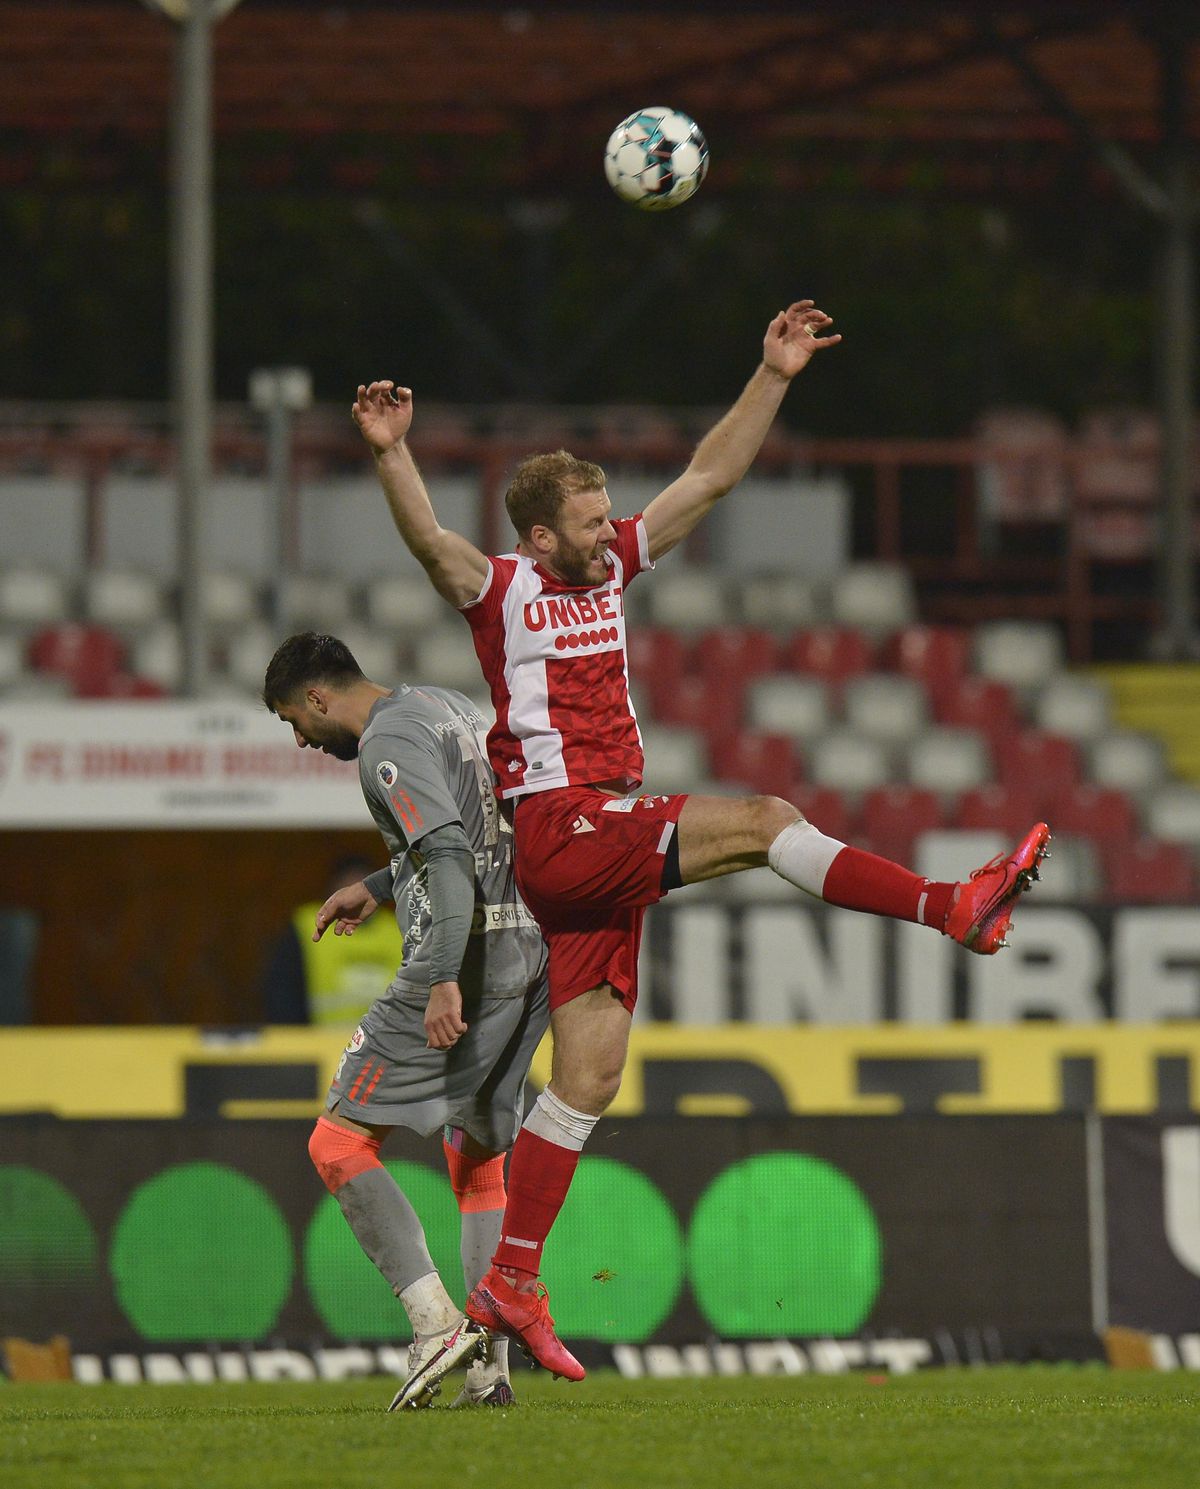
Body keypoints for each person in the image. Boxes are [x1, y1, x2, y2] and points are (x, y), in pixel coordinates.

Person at [352, 299, 1051, 1381]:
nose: (609, 532)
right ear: (539, 537)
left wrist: (773, 375)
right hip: (566, 825)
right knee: (766, 821)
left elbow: (711, 478)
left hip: (596, 842)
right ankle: (948, 906)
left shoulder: (613, 567)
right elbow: (429, 543)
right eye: (589, 523)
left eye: (607, 517)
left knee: (589, 1075)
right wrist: (393, 452)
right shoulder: (503, 589)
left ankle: (512, 1278)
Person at [263, 631, 553, 1409]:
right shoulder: (443, 706)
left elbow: (451, 857)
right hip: (530, 950)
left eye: (294, 720)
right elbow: (479, 830)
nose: (301, 738)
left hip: (466, 957)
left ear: (317, 697)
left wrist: (443, 977)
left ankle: (434, 1324)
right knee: (477, 1156)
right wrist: (380, 883)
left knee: (337, 1141)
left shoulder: (384, 743)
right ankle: (490, 1369)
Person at [261, 853, 406, 1026]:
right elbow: (282, 990)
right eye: (348, 887)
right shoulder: (307, 925)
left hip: (386, 1039)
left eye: (362, 888)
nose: (355, 898)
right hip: (323, 1039)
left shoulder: (398, 928)